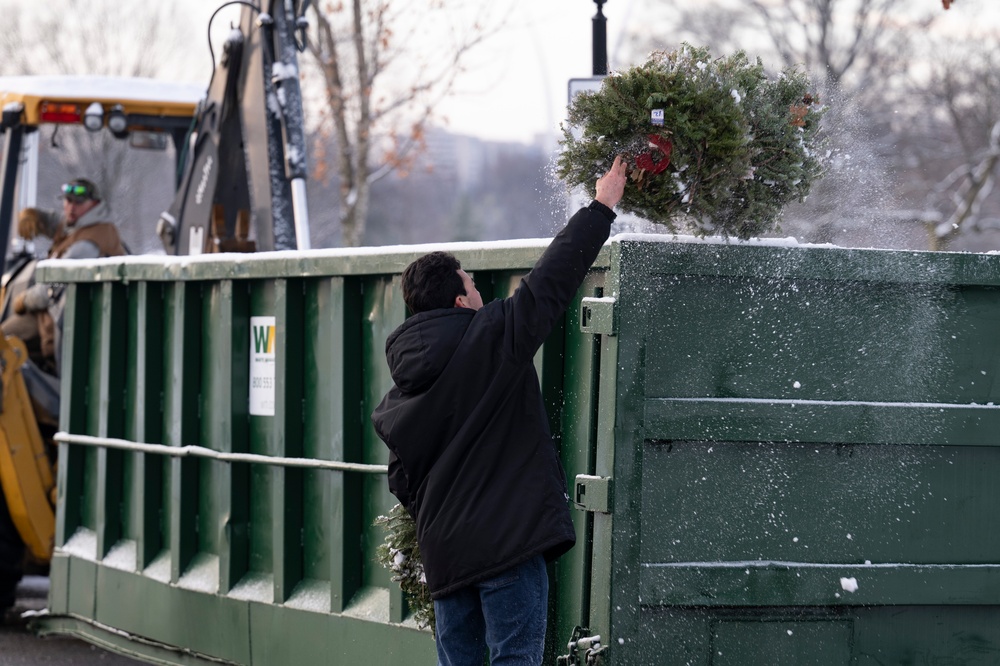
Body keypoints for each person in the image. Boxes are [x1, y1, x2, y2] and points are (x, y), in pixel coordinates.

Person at [371, 156, 628, 665]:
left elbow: (401, 480)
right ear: (460, 301)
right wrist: (601, 206)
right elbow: (551, 282)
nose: (479, 291)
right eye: (471, 284)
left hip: (447, 556)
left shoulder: (399, 398)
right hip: (508, 546)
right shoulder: (489, 338)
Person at [3, 178, 126, 374]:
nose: (70, 207)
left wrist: (24, 300)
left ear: (94, 204)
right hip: (59, 315)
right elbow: (61, 228)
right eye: (67, 201)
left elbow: (53, 286)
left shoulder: (88, 244)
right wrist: (38, 217)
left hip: (65, 324)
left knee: (4, 341)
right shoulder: (89, 226)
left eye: (78, 203)